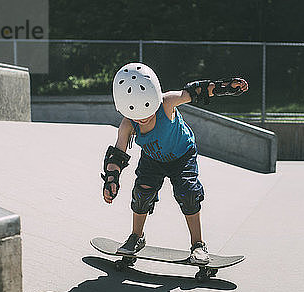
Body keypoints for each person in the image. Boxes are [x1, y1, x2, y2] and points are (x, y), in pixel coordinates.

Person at [102, 62, 248, 264]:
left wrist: (225, 88)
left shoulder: (166, 102)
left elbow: (196, 91)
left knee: (188, 193)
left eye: (147, 113)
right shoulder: (128, 123)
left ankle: (198, 244)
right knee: (142, 192)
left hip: (182, 155)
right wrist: (111, 179)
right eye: (138, 117)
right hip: (152, 158)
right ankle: (136, 237)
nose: (142, 120)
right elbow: (118, 153)